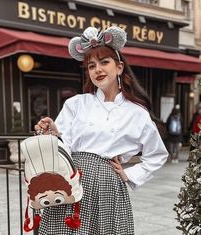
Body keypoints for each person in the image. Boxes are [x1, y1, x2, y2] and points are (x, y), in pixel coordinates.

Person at [34, 26, 168, 235]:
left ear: (120, 67)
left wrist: (128, 174)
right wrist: (53, 133)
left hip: (107, 186)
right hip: (70, 179)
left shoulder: (136, 113)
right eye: (91, 65)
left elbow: (157, 154)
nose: (98, 69)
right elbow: (63, 146)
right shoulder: (76, 103)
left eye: (104, 62)